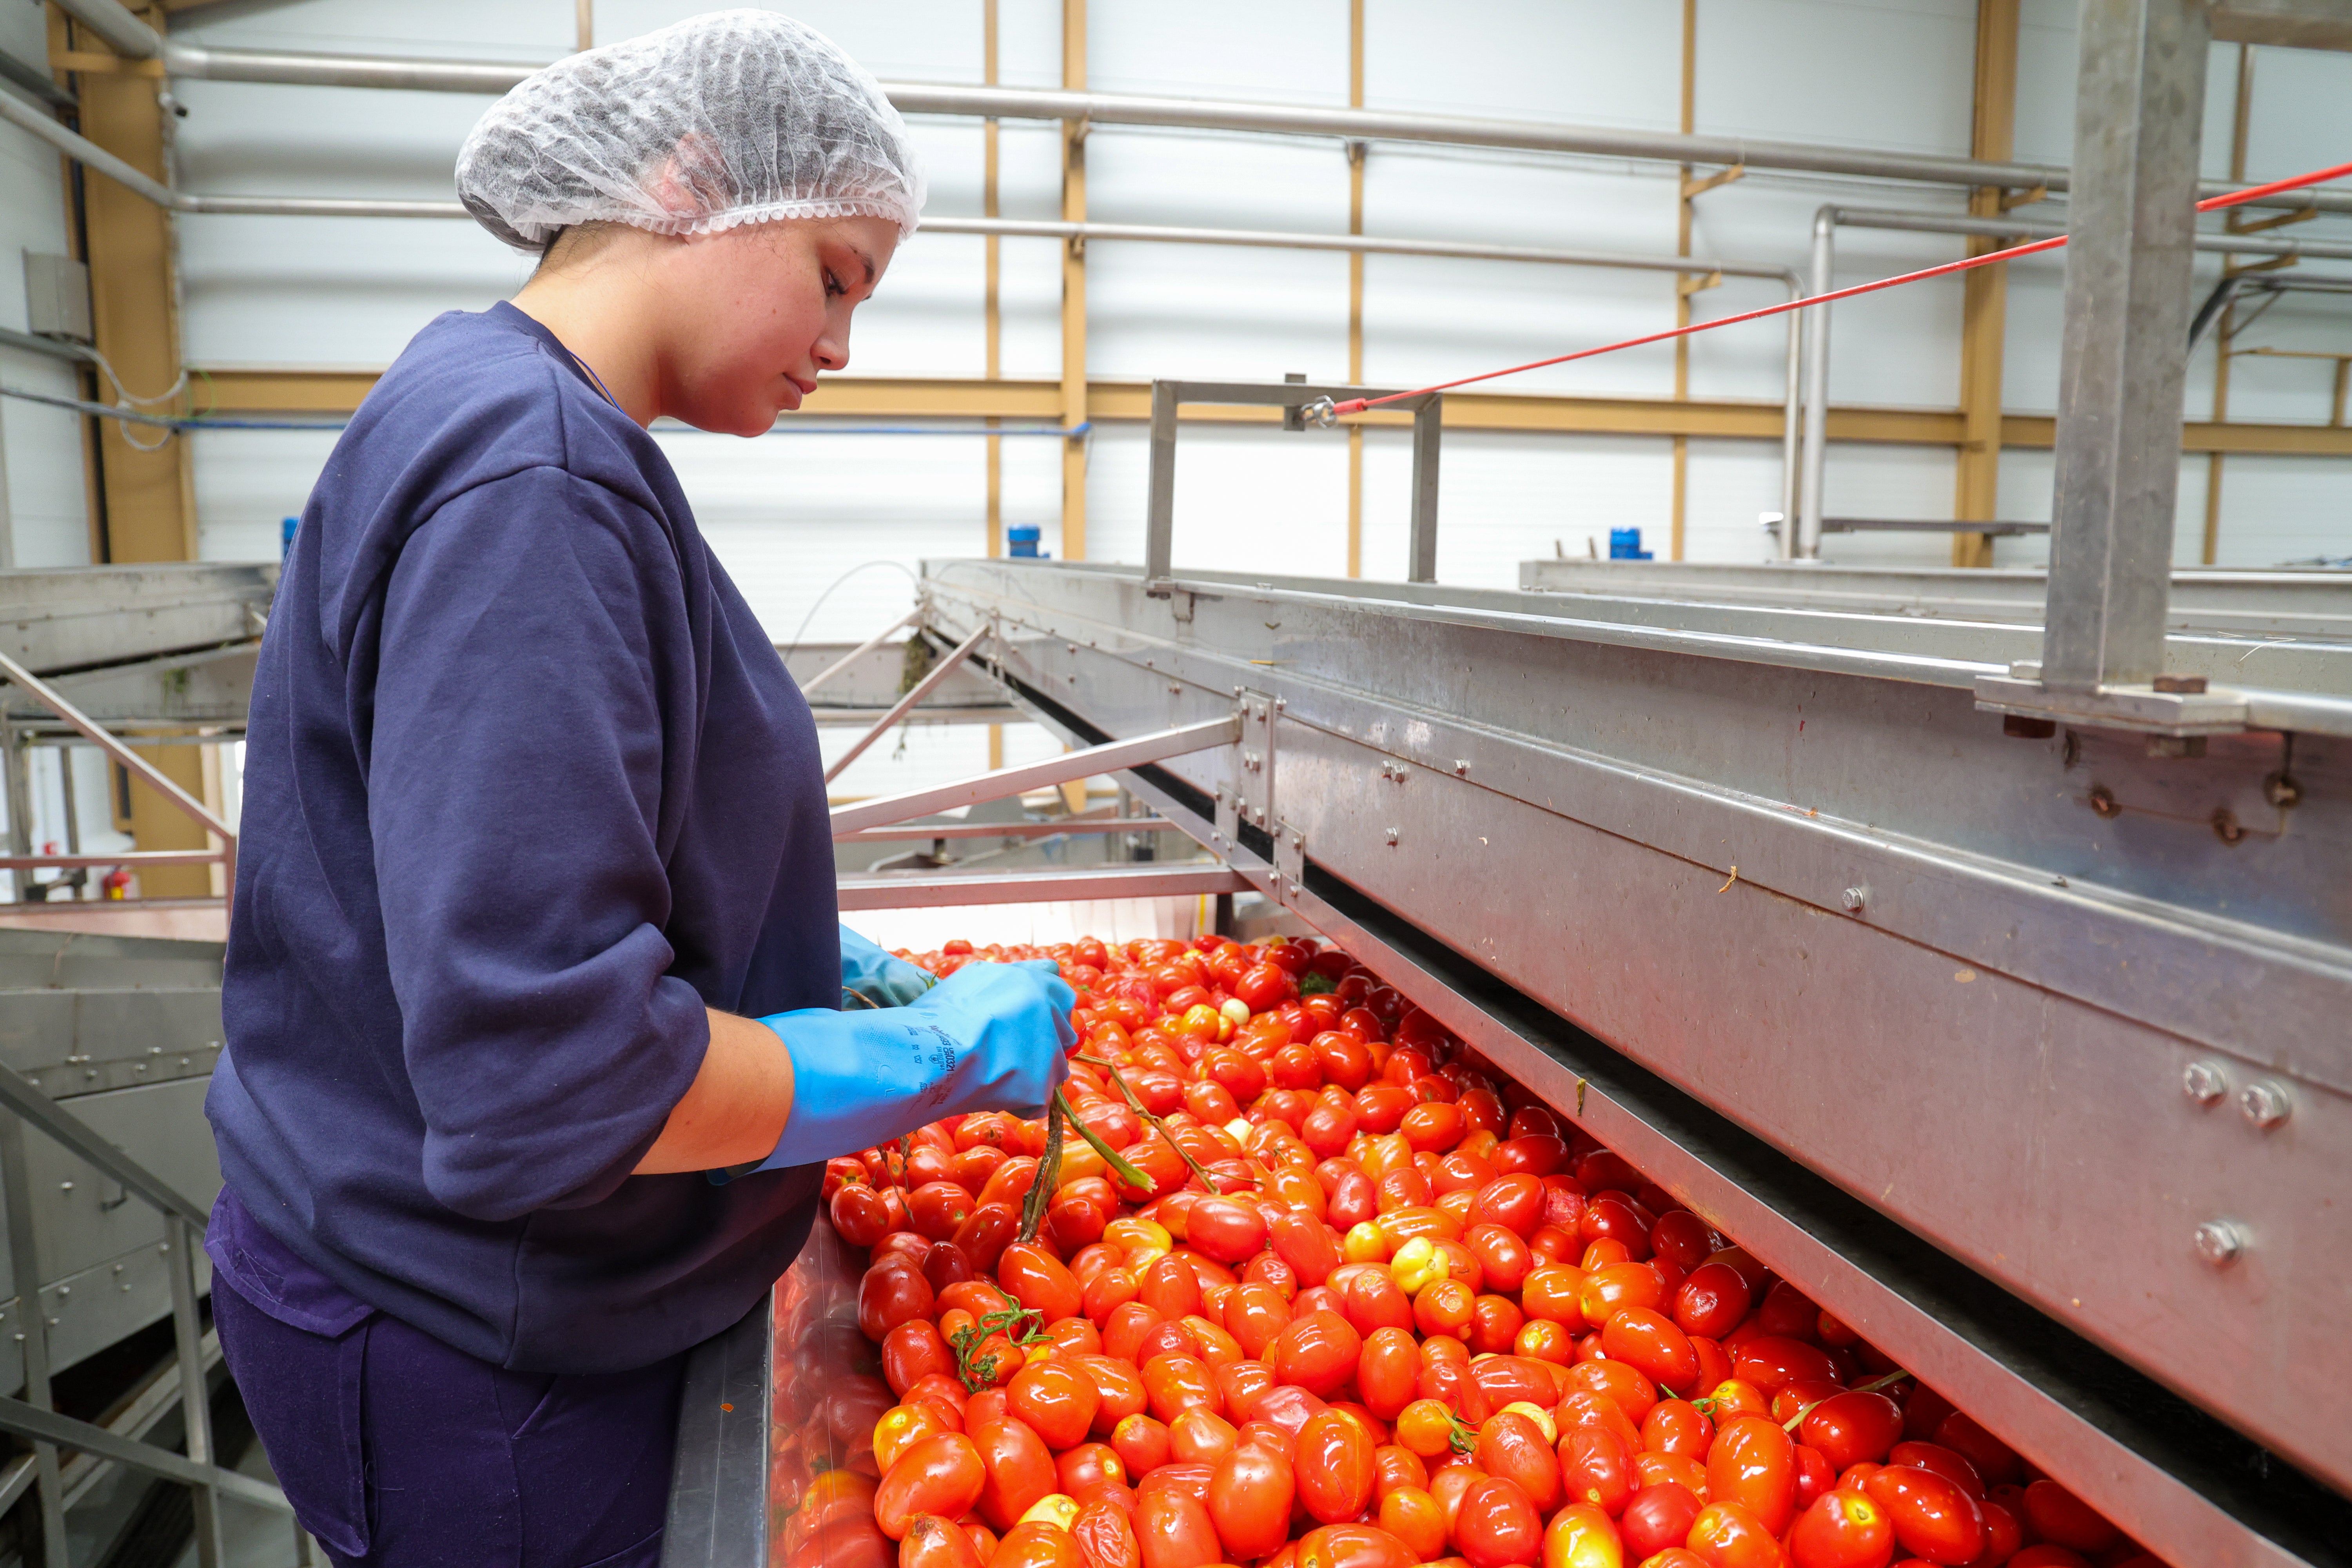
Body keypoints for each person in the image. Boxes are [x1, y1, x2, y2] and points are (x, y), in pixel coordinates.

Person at [203, 13, 1072, 1565]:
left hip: (448, 1285)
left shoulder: (499, 406)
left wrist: (790, 959)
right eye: (834, 276)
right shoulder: (532, 479)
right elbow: (550, 1082)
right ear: (692, 183)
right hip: (479, 1359)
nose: (843, 346)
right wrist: (934, 1057)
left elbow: (527, 849)